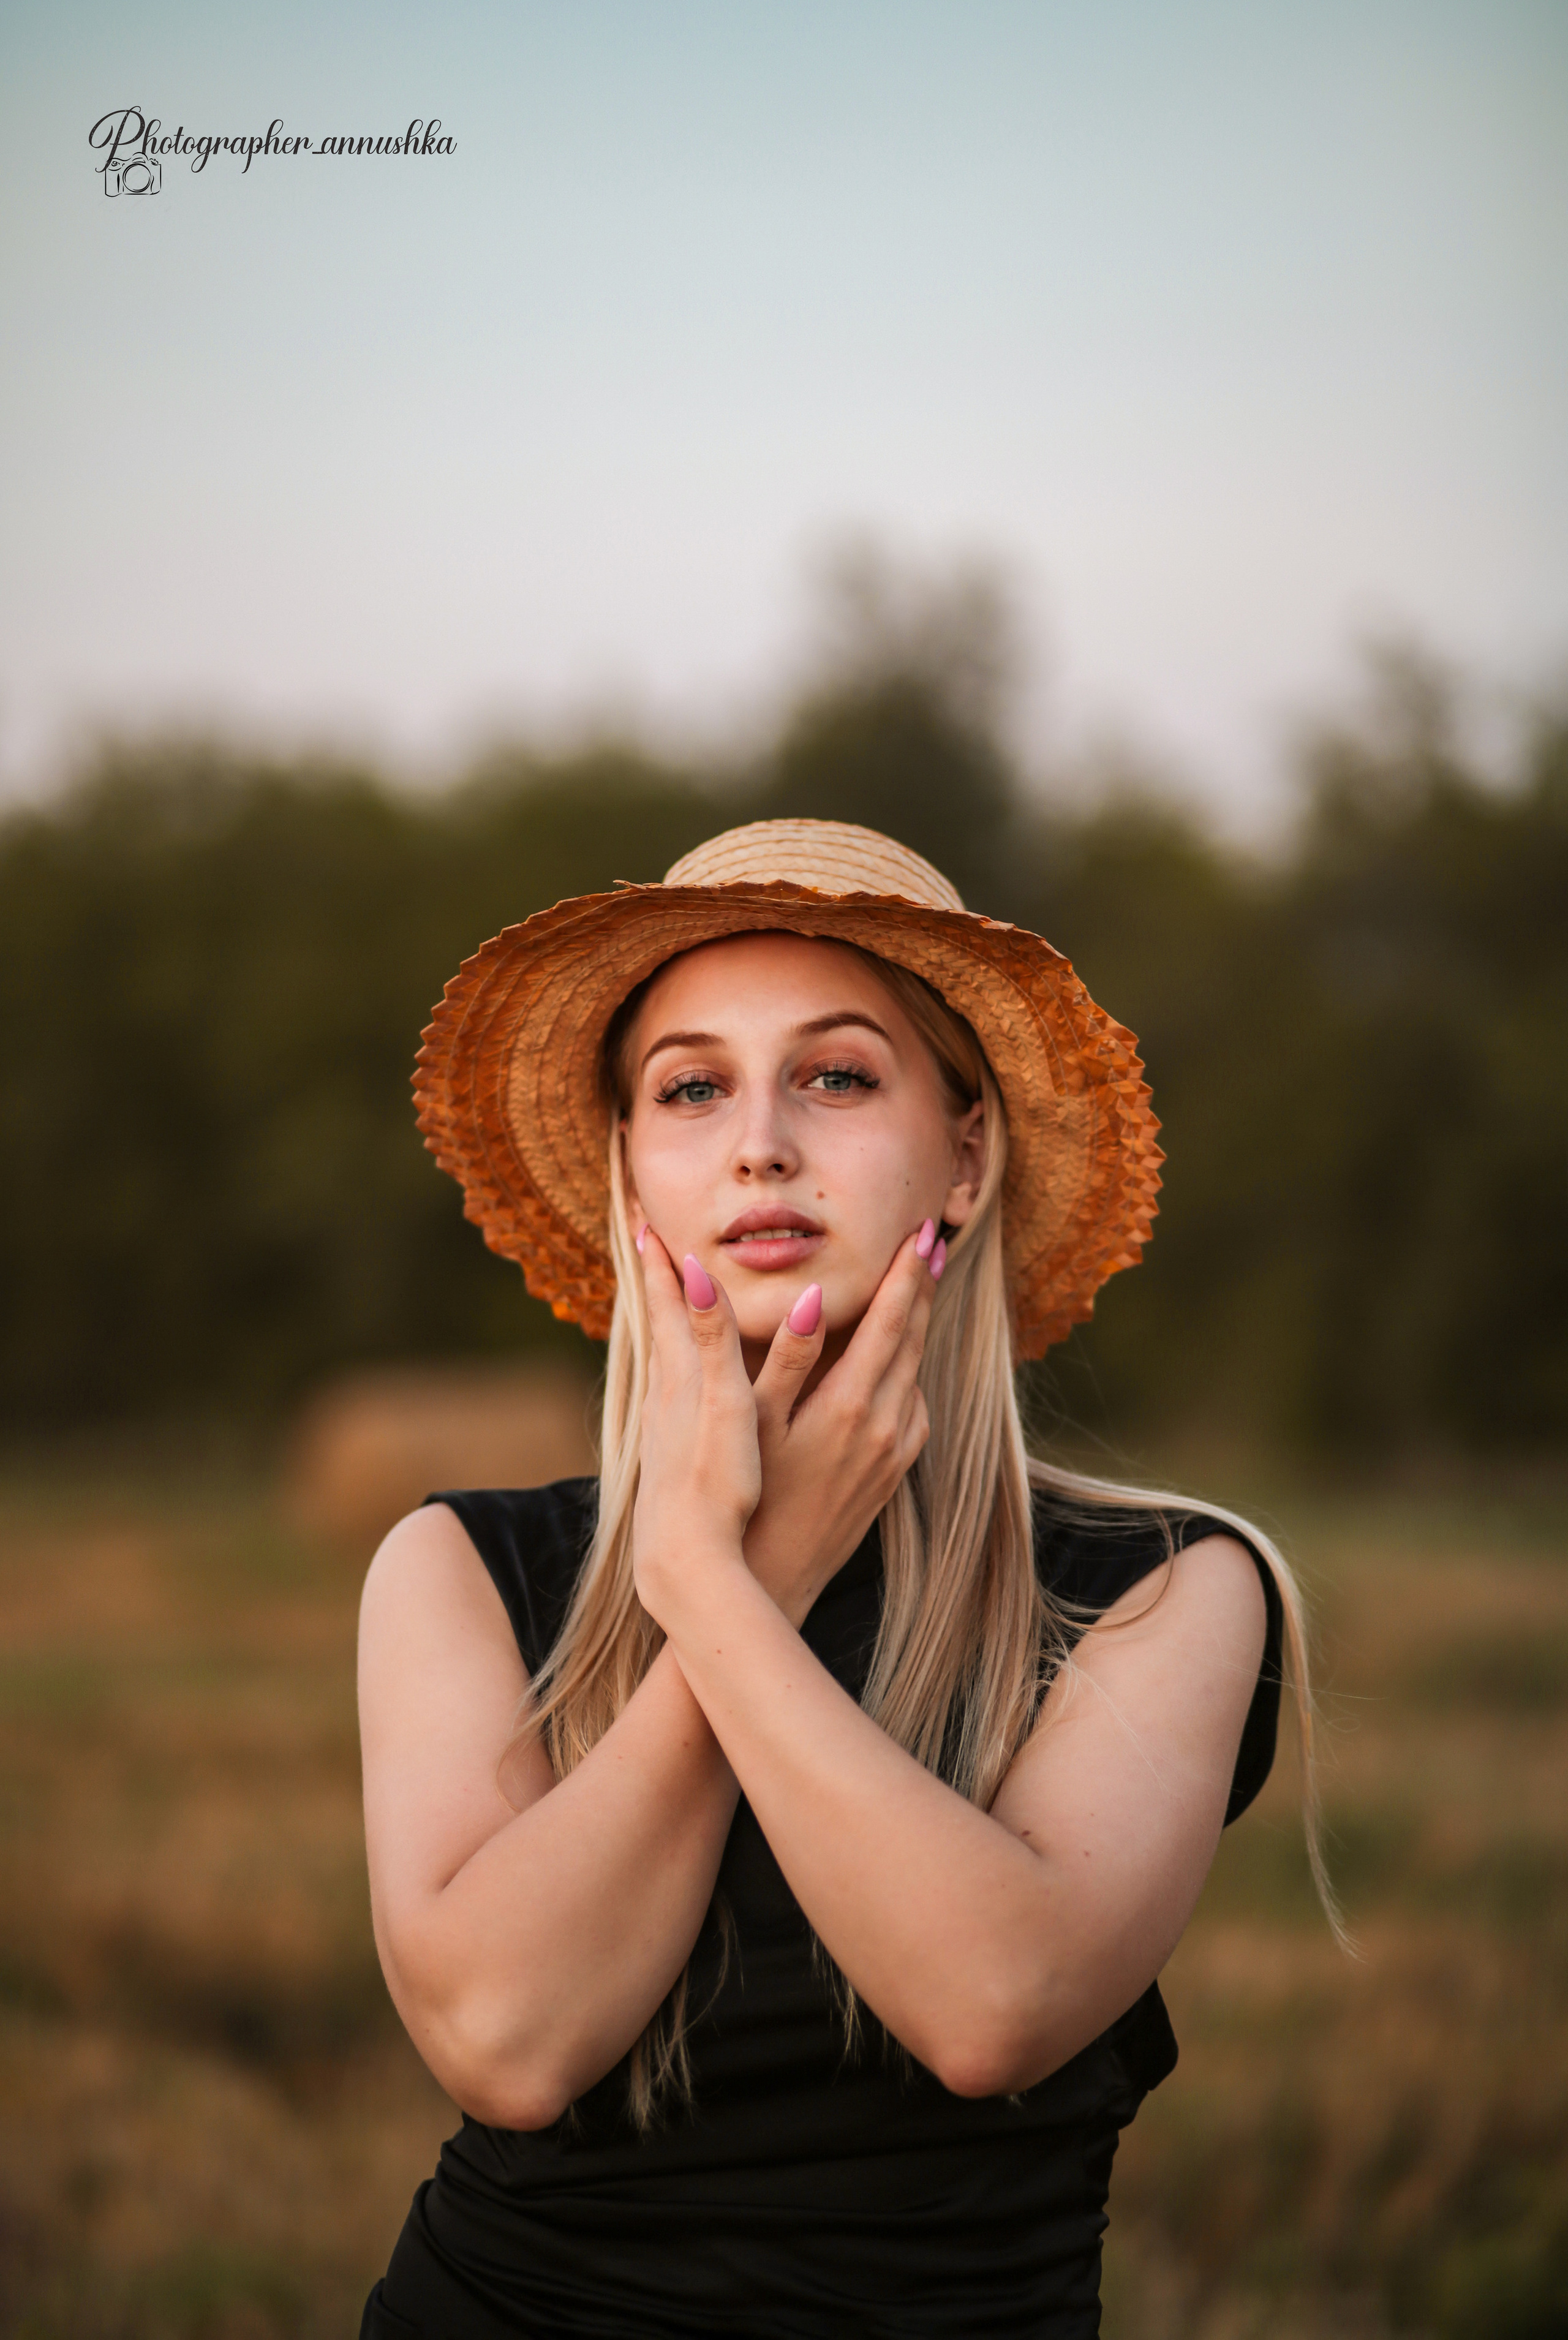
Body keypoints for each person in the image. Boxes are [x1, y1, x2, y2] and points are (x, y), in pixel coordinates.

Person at [358, 819, 1331, 2338]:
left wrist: (716, 1585)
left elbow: (988, 2006)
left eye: (836, 1075)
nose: (759, 1142)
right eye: (691, 1088)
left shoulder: (1167, 1587)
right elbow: (505, 2042)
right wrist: (743, 1567)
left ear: (964, 1154)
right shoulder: (456, 1567)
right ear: (631, 1176)